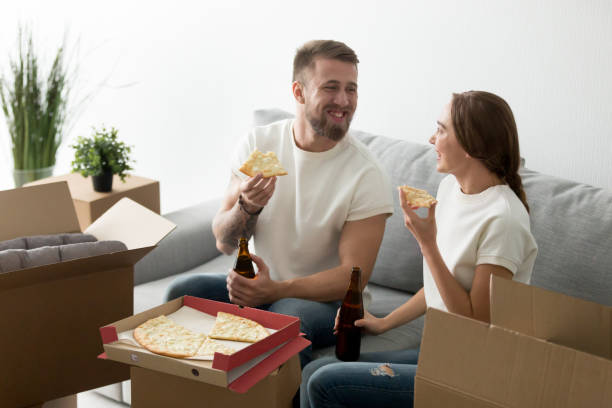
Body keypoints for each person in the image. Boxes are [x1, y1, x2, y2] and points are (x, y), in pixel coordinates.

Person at [300, 90, 539, 407]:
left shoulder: (503, 220)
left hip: (474, 371)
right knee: (315, 369)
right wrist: (385, 322)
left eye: (441, 130)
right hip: (441, 351)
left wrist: (427, 244)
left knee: (324, 385)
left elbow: (477, 324)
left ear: (472, 145)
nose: (431, 139)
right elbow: (443, 285)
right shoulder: (451, 188)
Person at [165, 40, 393, 367]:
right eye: (331, 88)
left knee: (285, 323)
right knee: (182, 294)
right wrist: (247, 206)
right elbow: (224, 242)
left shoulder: (366, 174)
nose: (344, 101)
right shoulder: (260, 143)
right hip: (263, 286)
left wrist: (276, 290)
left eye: (351, 89)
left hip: (325, 304)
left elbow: (353, 277)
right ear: (298, 92)